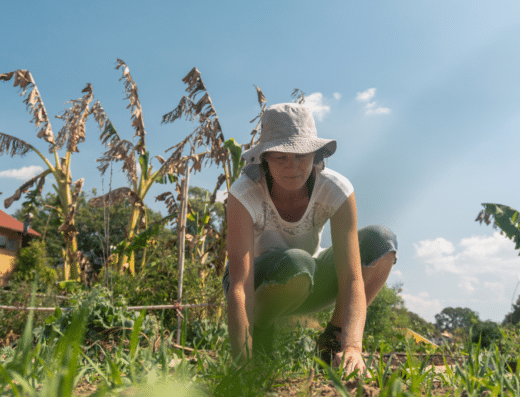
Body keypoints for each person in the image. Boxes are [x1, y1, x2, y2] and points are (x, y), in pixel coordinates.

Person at [222, 103, 397, 375]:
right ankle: (261, 333)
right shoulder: (244, 193)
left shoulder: (336, 190)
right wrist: (240, 365)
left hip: (309, 277)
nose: (292, 167)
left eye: (302, 156)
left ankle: (331, 342)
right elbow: (240, 287)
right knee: (296, 263)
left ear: (315, 155)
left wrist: (353, 346)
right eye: (281, 157)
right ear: (264, 157)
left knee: (381, 242)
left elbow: (351, 278)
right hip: (256, 284)